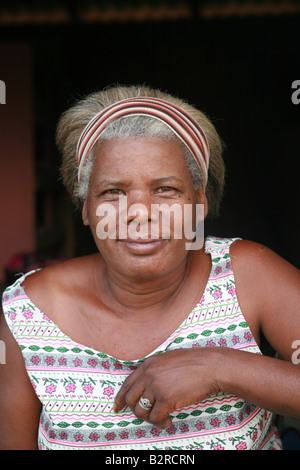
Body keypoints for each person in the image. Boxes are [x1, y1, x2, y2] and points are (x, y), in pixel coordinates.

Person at [1, 85, 299, 451]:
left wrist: (220, 367)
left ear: (199, 202)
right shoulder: (27, 313)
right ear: (85, 207)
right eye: (113, 192)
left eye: (166, 189)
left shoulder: (246, 275)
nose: (140, 212)